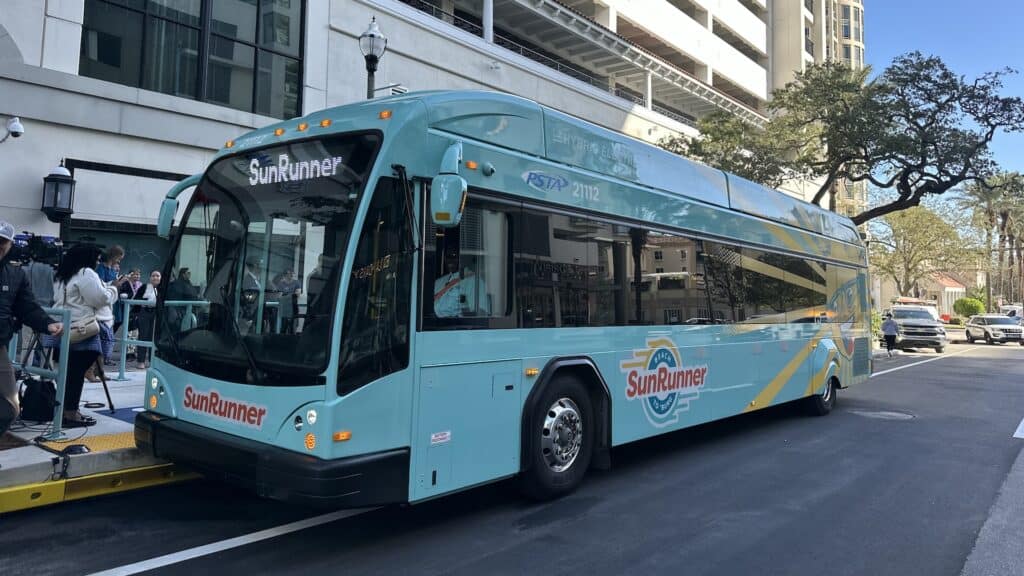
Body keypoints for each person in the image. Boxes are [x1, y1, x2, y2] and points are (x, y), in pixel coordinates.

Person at [0, 221, 63, 436]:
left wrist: (47, 323)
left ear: (9, 245)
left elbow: (27, 306)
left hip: (0, 346)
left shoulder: (16, 275)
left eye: (3, 242)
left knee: (9, 409)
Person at [46, 244, 120, 428]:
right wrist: (113, 289)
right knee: (77, 371)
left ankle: (64, 409)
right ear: (87, 259)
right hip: (81, 328)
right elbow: (99, 299)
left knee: (66, 371)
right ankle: (70, 413)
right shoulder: (86, 273)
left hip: (59, 326)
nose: (97, 263)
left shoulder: (62, 274)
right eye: (96, 259)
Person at [133, 271, 160, 369]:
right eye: (153, 275)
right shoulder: (146, 287)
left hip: (156, 314)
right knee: (143, 336)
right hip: (144, 313)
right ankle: (141, 361)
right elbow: (136, 300)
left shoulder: (162, 288)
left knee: (154, 337)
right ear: (150, 278)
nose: (155, 277)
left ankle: (152, 361)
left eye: (157, 276)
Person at [273, 269, 301, 334]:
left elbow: (297, 294)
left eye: (292, 273)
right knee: (283, 328)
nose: (291, 275)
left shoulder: (297, 282)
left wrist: (285, 295)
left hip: (293, 308)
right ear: (285, 275)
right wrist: (291, 295)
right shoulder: (281, 283)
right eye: (289, 273)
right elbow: (278, 296)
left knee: (293, 329)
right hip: (284, 309)